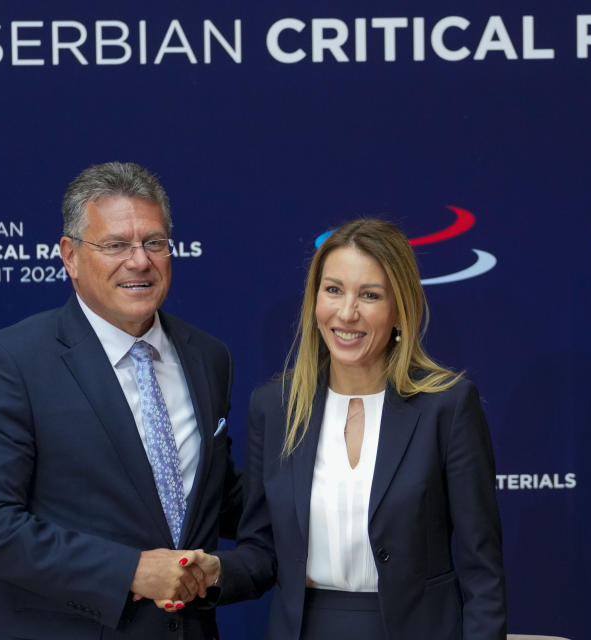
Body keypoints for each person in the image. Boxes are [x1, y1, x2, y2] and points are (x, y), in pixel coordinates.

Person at [0, 161, 239, 639]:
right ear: (70, 256)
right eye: (115, 245)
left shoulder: (208, 357)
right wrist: (130, 571)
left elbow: (211, 498)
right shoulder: (7, 363)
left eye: (154, 243)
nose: (139, 261)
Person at [171, 218, 506, 638]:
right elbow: (262, 551)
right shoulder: (275, 407)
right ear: (314, 300)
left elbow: (482, 571)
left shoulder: (448, 406)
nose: (347, 312)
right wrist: (214, 570)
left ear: (400, 309)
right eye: (333, 290)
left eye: (370, 295)